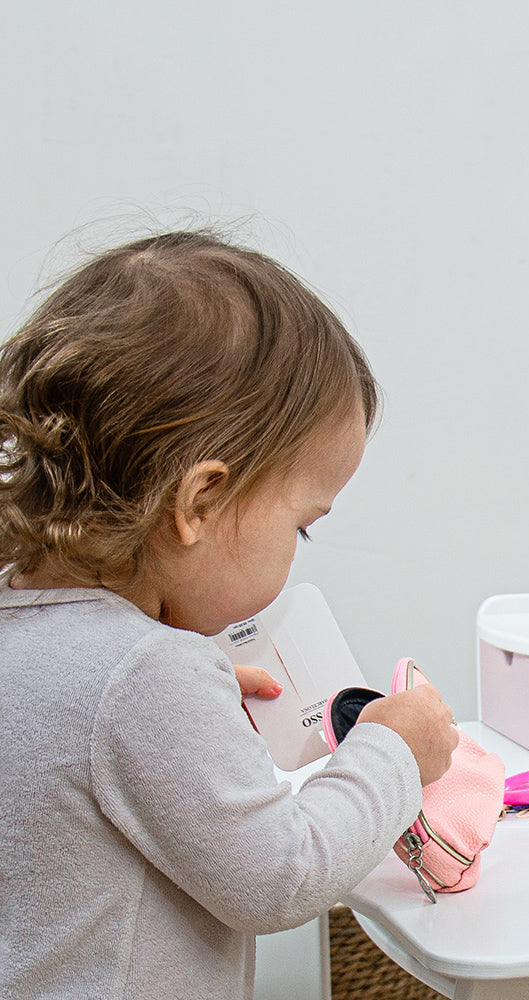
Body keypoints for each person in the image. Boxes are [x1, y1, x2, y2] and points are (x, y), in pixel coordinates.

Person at [0, 230, 459, 999]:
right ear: (199, 501)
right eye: (301, 525)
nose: (299, 548)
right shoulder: (146, 677)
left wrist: (190, 708)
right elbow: (284, 876)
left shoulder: (26, 630)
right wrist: (392, 754)